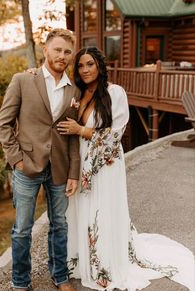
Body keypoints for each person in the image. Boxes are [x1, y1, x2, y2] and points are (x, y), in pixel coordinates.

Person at [56, 47, 195, 291]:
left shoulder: (114, 92)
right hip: (82, 163)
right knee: (83, 211)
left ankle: (106, 264)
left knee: (102, 209)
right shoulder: (77, 94)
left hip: (106, 163)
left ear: (99, 65)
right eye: (80, 65)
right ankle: (83, 260)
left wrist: (82, 131)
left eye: (90, 64)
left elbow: (117, 133)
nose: (85, 70)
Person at [0, 28, 80, 291]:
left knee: (60, 225)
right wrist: (16, 160)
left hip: (60, 167)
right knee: (22, 228)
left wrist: (74, 172)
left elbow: (73, 135)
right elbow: (4, 124)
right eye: (57, 49)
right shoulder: (23, 80)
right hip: (27, 167)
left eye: (67, 51)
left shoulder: (75, 89)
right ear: (45, 50)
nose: (62, 55)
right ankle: (20, 281)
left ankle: (60, 275)